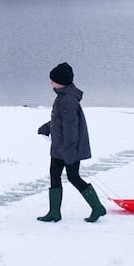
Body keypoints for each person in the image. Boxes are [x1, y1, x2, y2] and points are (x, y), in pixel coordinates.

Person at [36, 62, 106, 223]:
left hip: (69, 148)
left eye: (53, 80)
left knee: (73, 177)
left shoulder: (67, 100)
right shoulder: (62, 97)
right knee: (54, 174)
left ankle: (97, 207)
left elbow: (71, 128)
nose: (50, 82)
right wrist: (48, 127)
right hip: (60, 147)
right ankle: (54, 212)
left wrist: (69, 151)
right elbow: (60, 120)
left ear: (61, 81)